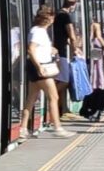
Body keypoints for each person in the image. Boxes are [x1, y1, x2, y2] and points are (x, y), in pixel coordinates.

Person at [20, 7, 74, 139]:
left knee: (31, 98)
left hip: (37, 67)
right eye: (52, 17)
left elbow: (37, 48)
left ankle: (23, 128)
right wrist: (39, 67)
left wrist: (50, 49)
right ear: (48, 18)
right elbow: (31, 49)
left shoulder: (37, 31)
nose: (53, 19)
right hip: (41, 68)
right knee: (54, 97)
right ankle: (57, 127)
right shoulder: (38, 32)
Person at [52, 0, 83, 115]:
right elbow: (71, 34)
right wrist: (76, 49)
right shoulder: (65, 16)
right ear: (72, 5)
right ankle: (51, 99)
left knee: (61, 79)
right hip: (62, 52)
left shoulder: (58, 14)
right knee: (64, 81)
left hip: (58, 51)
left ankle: (64, 109)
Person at [88, 15, 104, 90]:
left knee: (94, 66)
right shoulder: (97, 25)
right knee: (99, 66)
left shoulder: (90, 25)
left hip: (92, 45)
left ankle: (93, 84)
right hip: (97, 46)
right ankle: (101, 84)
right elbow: (99, 37)